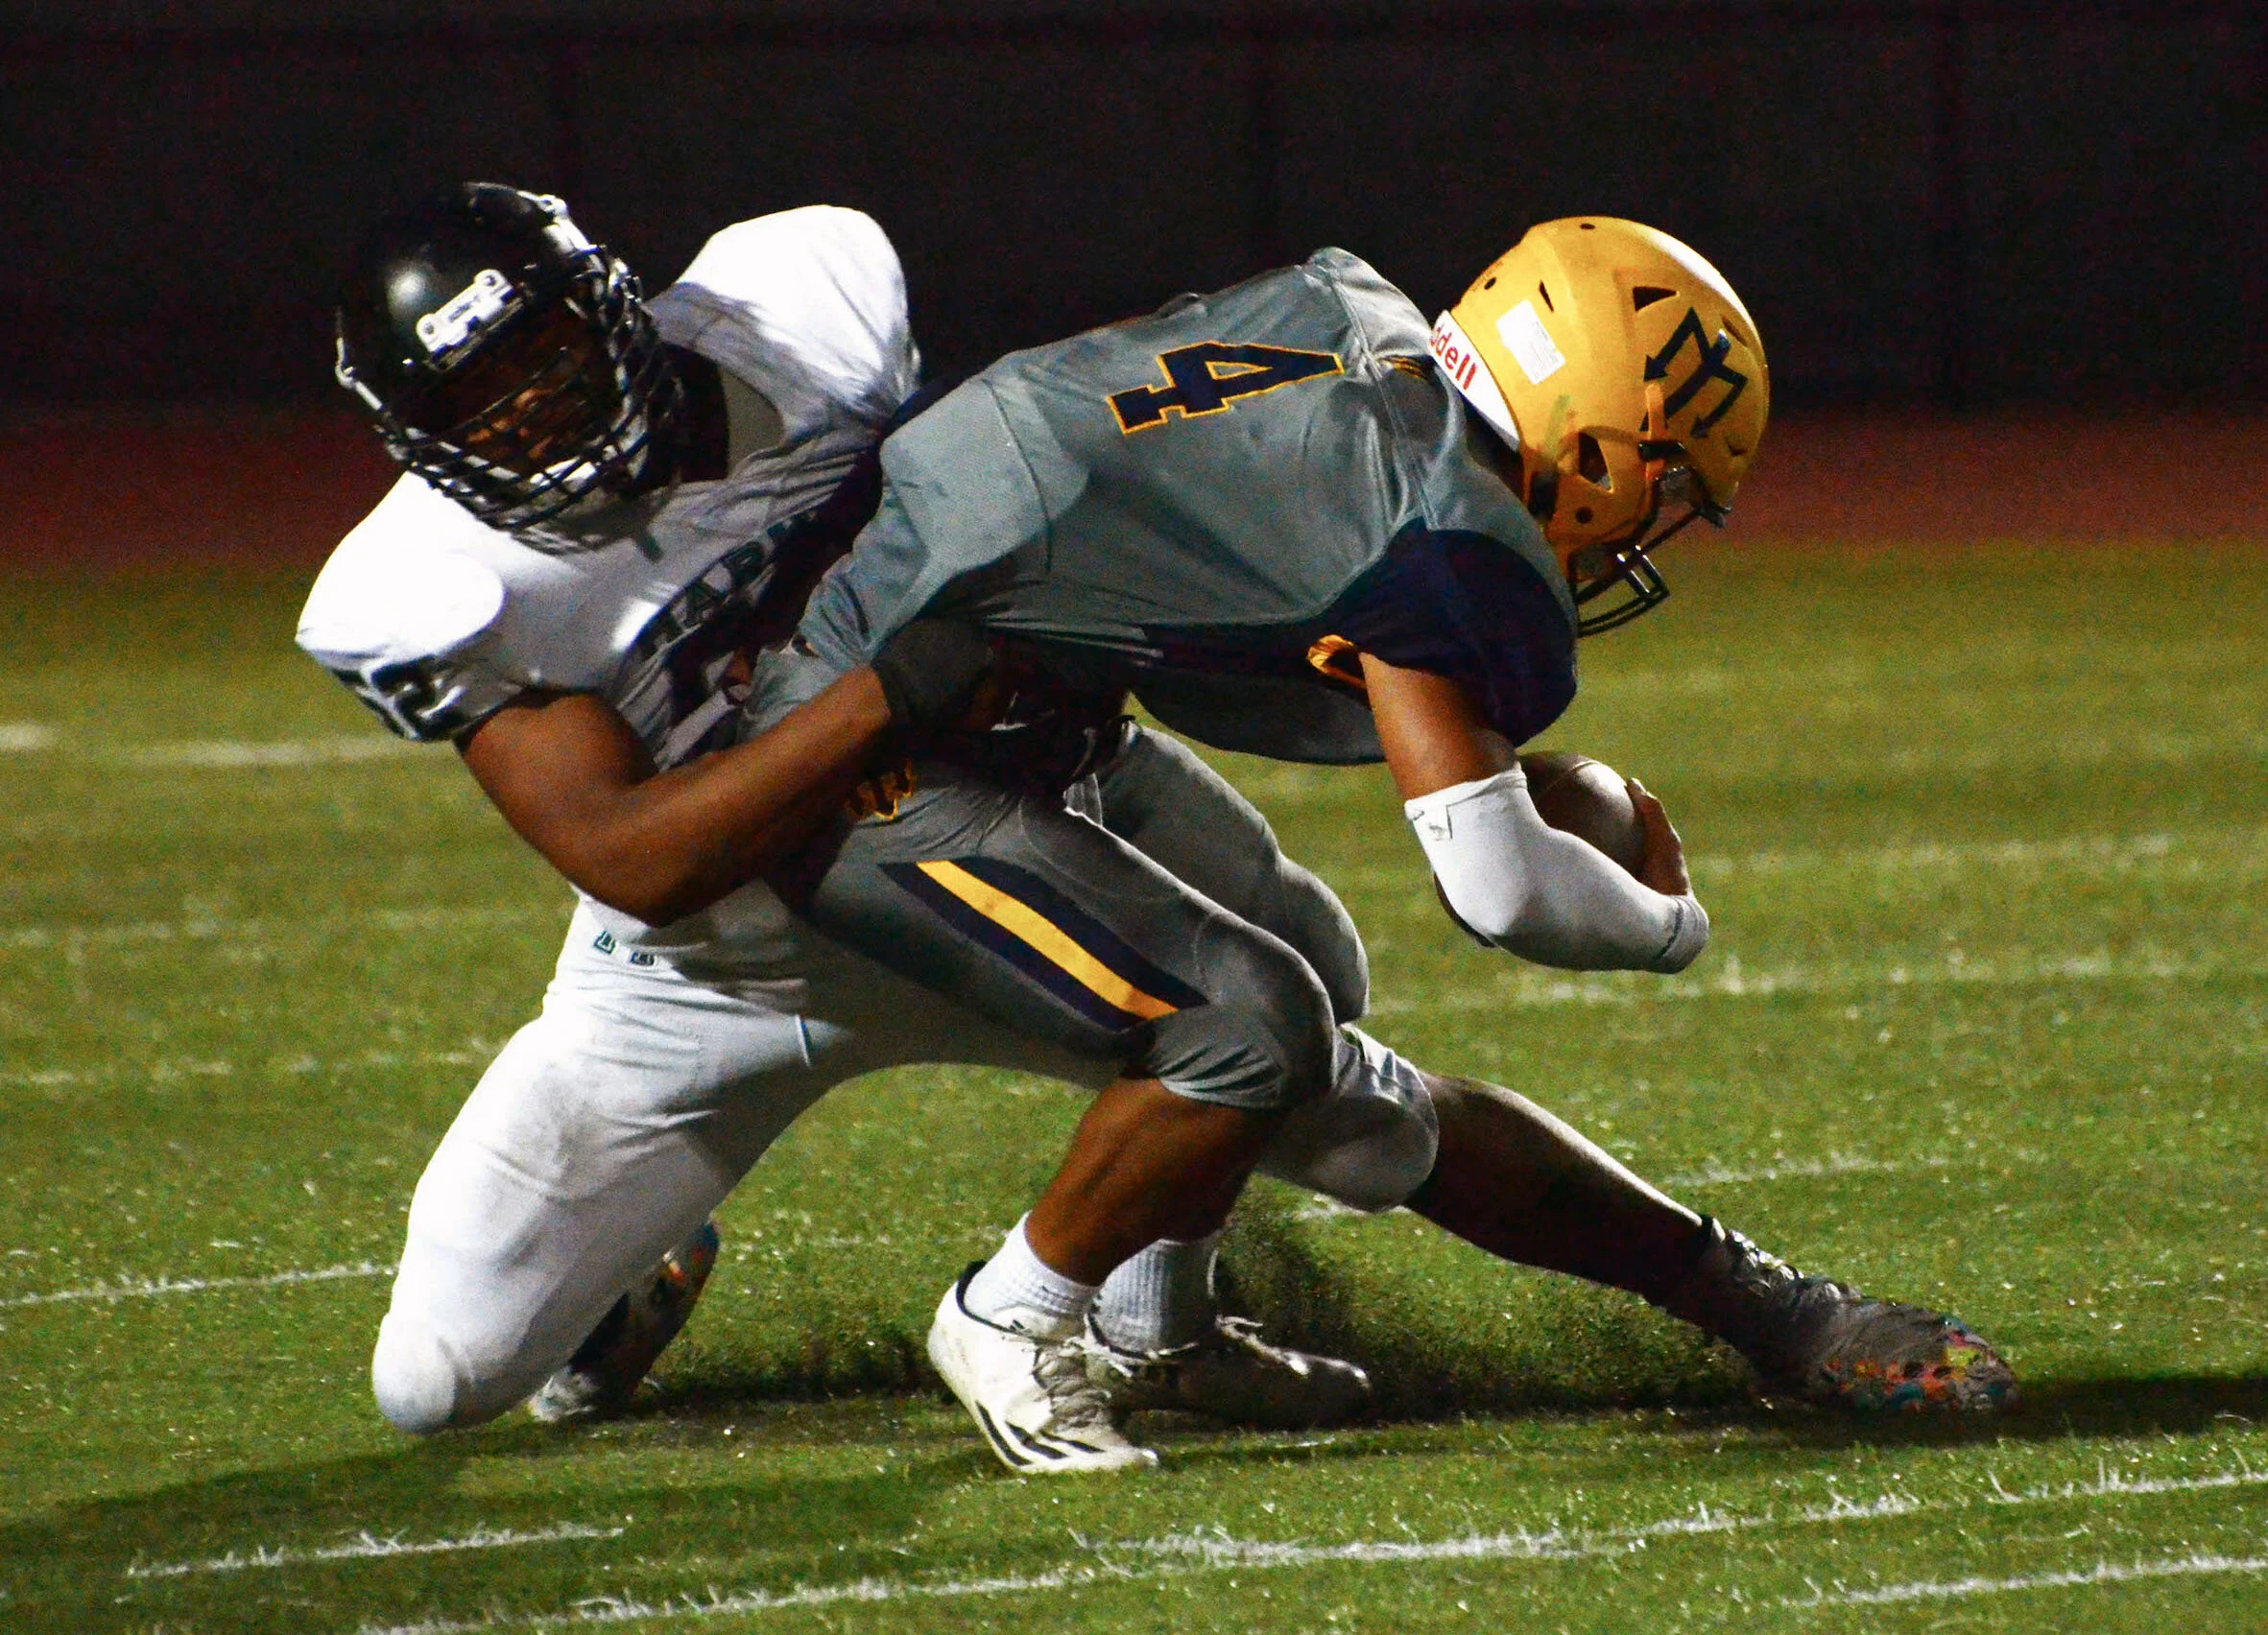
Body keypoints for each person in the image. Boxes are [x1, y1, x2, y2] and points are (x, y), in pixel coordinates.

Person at [743, 216, 2018, 1473]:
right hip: (853, 754)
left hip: (1015, 702)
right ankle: (1009, 1318)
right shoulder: (1439, 528)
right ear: (1591, 434)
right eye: (1667, 479)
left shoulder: (1354, 320)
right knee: (1257, 1023)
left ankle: (1153, 1324)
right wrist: (1671, 922)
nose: (1650, 523)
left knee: (1311, 956)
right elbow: (1502, 889)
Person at [298, 183, 1373, 1435]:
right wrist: (890, 689)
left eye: (542, 360)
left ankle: (1156, 1328)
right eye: (481, 404)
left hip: (990, 819)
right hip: (713, 962)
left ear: (612, 309)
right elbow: (633, 857)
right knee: (433, 1383)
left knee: (1310, 973)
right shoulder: (430, 583)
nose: (534, 415)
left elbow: (983, 491)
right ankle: (636, 1271)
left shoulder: (799, 316)